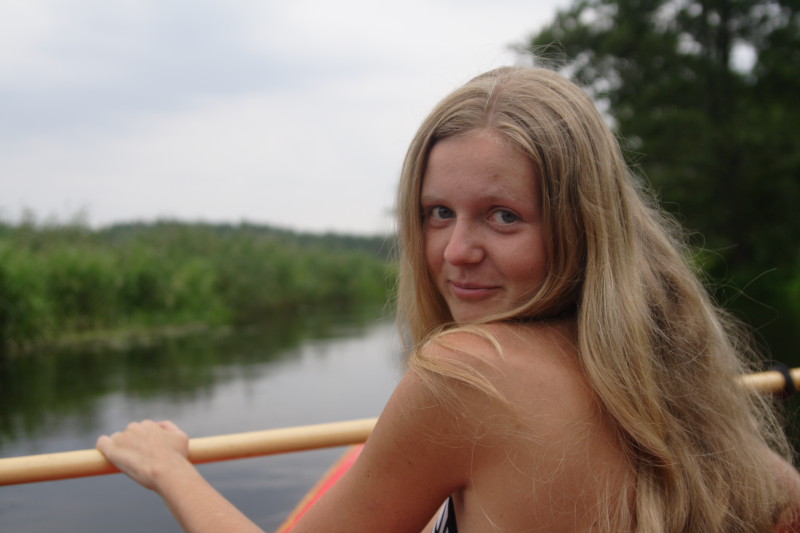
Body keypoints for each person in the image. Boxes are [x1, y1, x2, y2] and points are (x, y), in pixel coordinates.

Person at [97, 66, 800, 532]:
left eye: (502, 216)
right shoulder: (671, 368)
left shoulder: (468, 373)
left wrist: (168, 468)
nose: (456, 251)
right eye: (439, 213)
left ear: (582, 225)